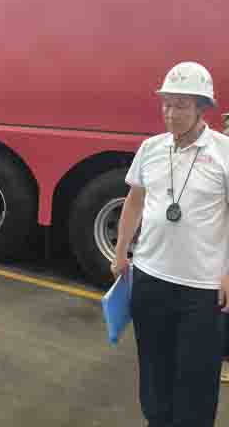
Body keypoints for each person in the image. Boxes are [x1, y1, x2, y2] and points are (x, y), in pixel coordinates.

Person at [112, 61, 229, 427]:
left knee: (197, 384)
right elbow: (134, 202)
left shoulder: (224, 152)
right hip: (150, 281)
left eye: (181, 105)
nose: (170, 113)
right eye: (166, 104)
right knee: (154, 377)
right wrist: (120, 252)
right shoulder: (150, 148)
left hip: (203, 290)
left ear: (202, 108)